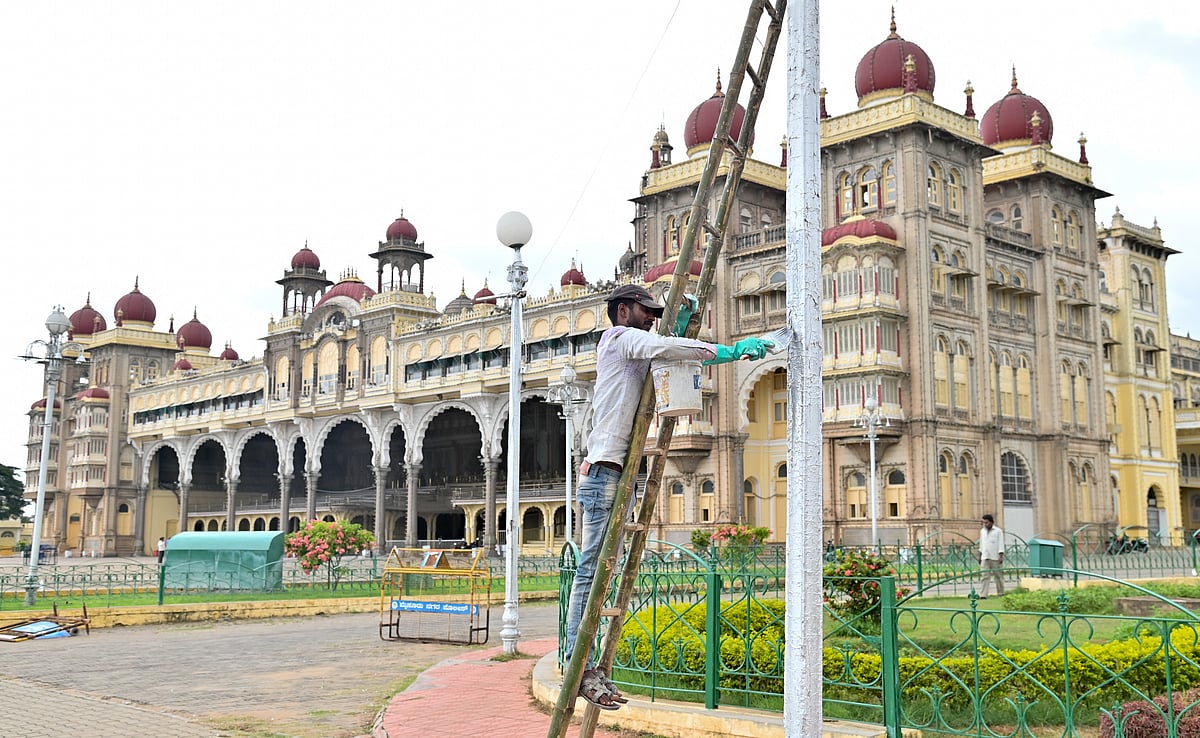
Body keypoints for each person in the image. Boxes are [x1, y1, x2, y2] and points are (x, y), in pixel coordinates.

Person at [564, 284, 773, 710]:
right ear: (623, 311)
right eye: (647, 311)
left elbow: (664, 353)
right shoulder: (619, 339)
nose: (651, 318)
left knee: (604, 573)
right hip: (604, 473)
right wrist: (733, 352)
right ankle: (577, 667)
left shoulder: (635, 346)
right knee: (591, 573)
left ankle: (592, 666)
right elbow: (665, 347)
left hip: (614, 473)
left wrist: (679, 324)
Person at [977, 514, 1005, 598]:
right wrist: (980, 556)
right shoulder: (982, 531)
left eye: (987, 523)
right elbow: (981, 544)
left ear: (992, 522)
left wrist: (1001, 556)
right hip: (985, 556)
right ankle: (983, 594)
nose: (985, 524)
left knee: (998, 575)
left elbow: (1000, 543)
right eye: (984, 523)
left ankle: (1001, 593)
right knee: (984, 576)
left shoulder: (998, 531)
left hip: (995, 557)